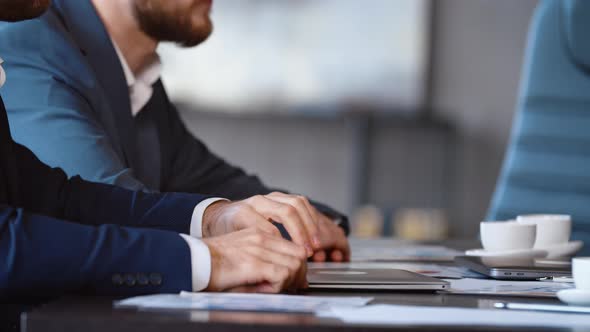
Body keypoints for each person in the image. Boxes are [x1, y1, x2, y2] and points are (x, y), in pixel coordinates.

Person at [0, 0, 352, 302]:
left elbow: (59, 198)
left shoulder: (137, 78)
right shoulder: (35, 44)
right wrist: (206, 259)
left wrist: (215, 219)